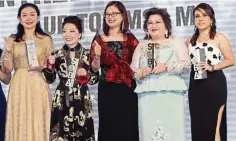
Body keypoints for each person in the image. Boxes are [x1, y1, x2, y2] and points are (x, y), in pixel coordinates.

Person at [130, 7, 191, 141]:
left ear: (166, 25)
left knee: (173, 130)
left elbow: (187, 65)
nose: (154, 25)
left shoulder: (176, 42)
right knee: (148, 130)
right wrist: (140, 73)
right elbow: (133, 69)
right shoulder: (142, 45)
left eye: (158, 22)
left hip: (171, 93)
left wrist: (166, 66)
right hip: (147, 94)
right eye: (150, 23)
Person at [0, 3, 53, 141]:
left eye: (32, 14)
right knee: (19, 118)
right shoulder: (12, 39)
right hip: (19, 84)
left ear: (38, 17)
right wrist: (7, 51)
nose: (28, 18)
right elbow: (7, 69)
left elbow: (50, 70)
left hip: (38, 83)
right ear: (19, 19)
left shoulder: (46, 39)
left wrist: (44, 67)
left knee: (38, 118)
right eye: (24, 15)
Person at [90, 1, 139, 141]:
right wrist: (98, 56)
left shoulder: (130, 37)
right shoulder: (99, 37)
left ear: (123, 16)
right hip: (107, 87)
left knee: (128, 125)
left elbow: (139, 60)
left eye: (114, 14)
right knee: (108, 125)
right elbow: (94, 67)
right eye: (107, 14)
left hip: (127, 87)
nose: (110, 17)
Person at [44, 16, 99, 141]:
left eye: (72, 31)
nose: (67, 34)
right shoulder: (56, 54)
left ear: (79, 33)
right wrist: (49, 66)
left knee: (83, 131)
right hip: (62, 97)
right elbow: (49, 79)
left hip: (82, 97)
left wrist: (86, 74)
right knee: (61, 133)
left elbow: (95, 79)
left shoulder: (87, 54)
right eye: (64, 31)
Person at [186, 3, 235, 141]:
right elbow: (184, 62)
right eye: (197, 16)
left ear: (211, 19)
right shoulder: (190, 41)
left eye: (204, 15)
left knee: (214, 127)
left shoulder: (219, 37)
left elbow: (231, 60)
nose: (200, 19)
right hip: (195, 86)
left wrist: (212, 67)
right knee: (198, 124)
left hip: (214, 84)